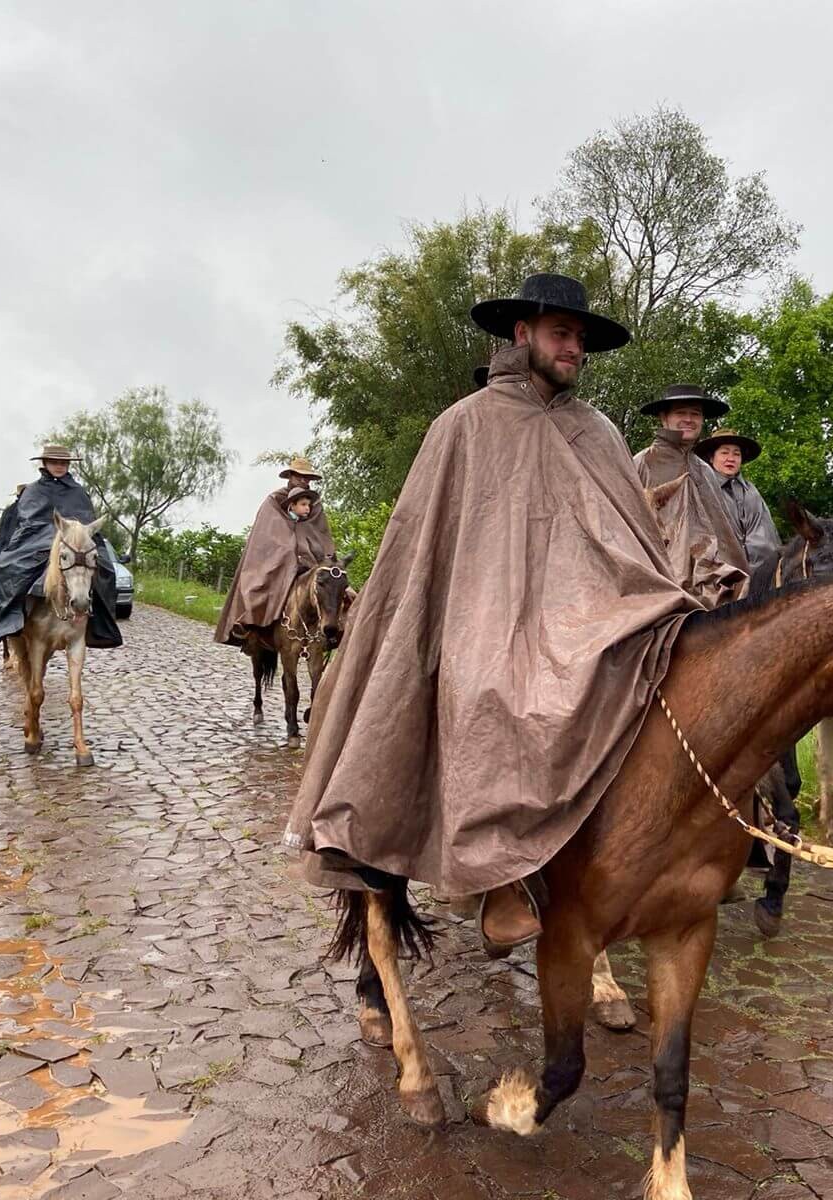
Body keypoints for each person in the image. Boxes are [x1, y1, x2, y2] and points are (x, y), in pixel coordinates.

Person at [283, 273, 699, 954]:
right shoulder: (465, 424)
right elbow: (420, 552)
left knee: (660, 668)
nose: (574, 349)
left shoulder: (597, 433)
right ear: (522, 333)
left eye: (581, 339)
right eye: (561, 334)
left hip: (576, 618)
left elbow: (634, 544)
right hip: (472, 619)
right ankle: (499, 876)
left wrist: (652, 600)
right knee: (486, 686)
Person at [0, 444, 122, 649]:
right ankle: (10, 621)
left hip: (75, 541)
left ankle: (100, 625)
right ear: (45, 463)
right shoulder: (32, 490)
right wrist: (51, 535)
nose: (59, 466)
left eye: (63, 463)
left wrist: (75, 535)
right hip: (36, 540)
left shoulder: (79, 491)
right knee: (7, 567)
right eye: (55, 462)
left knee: (106, 569)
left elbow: (86, 519)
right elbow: (28, 520)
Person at [634, 386, 749, 607]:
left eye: (695, 414)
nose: (689, 419)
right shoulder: (642, 464)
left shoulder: (705, 471)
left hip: (713, 593)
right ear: (663, 417)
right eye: (681, 412)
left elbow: (725, 537)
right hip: (660, 591)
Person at [214, 457, 336, 651]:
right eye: (300, 476)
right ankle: (249, 626)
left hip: (310, 559)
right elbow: (268, 533)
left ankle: (333, 632)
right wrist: (289, 549)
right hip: (277, 559)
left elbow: (321, 535)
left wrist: (324, 557)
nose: (304, 480)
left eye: (308, 477)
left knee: (336, 587)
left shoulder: (315, 504)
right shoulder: (274, 500)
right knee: (256, 584)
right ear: (291, 476)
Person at [694, 428, 781, 595]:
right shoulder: (701, 490)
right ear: (712, 458)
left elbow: (765, 538)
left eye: (736, 454)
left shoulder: (751, 492)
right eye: (724, 453)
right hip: (714, 580)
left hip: (757, 579)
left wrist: (759, 577)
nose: (730, 458)